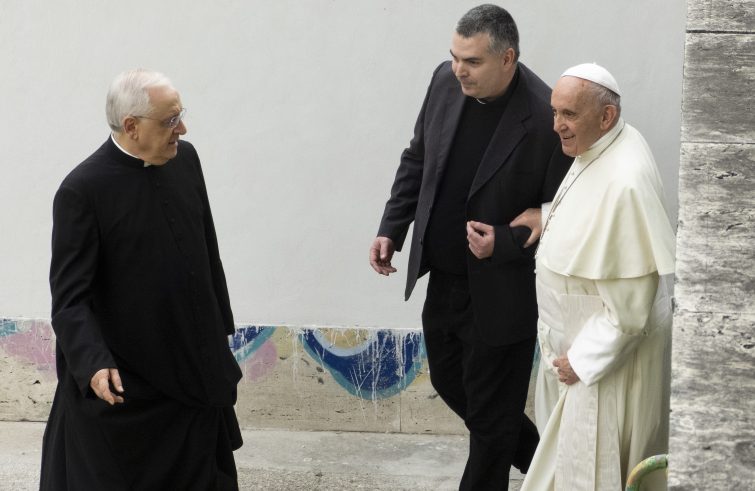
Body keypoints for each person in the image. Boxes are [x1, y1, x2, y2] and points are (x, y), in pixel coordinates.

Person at [369, 5, 571, 488]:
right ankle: (553, 466)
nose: (459, 69)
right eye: (455, 56)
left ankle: (541, 469)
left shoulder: (545, 117)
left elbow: (563, 210)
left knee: (490, 417)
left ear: (507, 58)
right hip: (443, 280)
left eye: (472, 61)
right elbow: (418, 158)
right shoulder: (444, 82)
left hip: (503, 292)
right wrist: (392, 227)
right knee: (456, 387)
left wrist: (505, 242)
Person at [41, 69, 243, 490]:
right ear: (131, 126)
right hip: (128, 383)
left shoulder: (186, 160)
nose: (182, 129)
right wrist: (93, 362)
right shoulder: (82, 190)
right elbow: (70, 298)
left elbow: (207, 254)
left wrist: (219, 334)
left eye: (180, 116)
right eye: (171, 120)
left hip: (191, 371)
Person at [520, 64, 676, 490]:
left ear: (606, 116)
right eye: (555, 112)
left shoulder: (626, 182)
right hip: (572, 360)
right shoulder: (604, 145)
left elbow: (631, 310)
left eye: (569, 114)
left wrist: (583, 360)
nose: (557, 125)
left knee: (590, 475)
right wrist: (548, 217)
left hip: (603, 369)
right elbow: (590, 211)